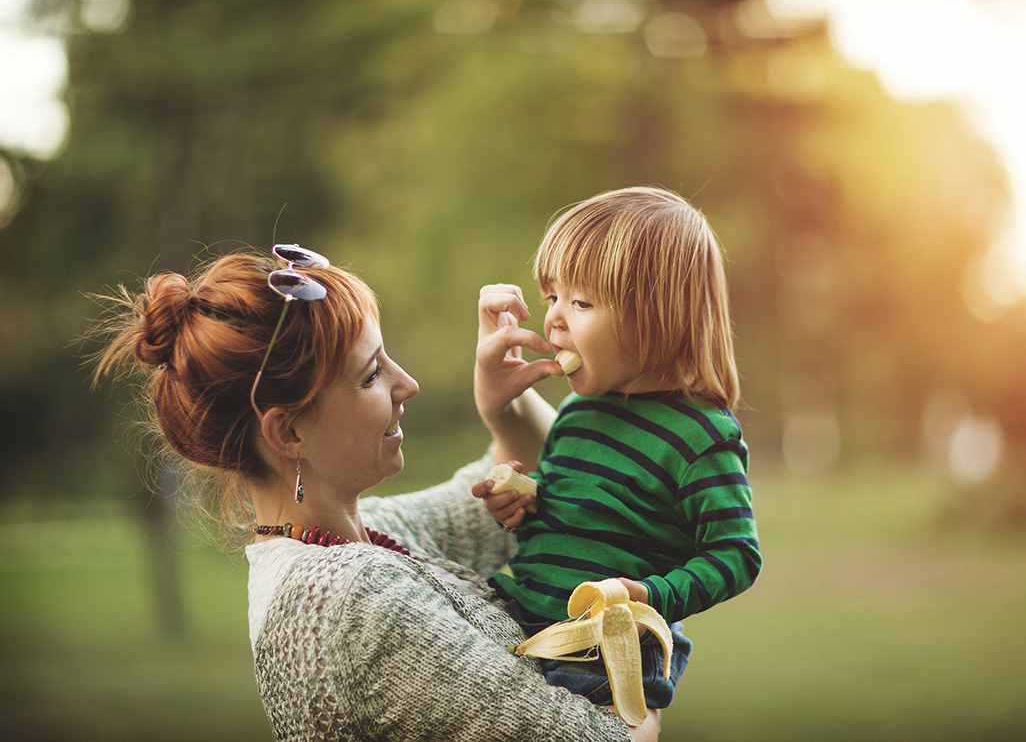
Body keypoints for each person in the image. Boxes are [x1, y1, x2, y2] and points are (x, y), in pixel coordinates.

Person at [90, 243, 662, 741]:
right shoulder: (349, 602)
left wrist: (501, 400)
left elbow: (533, 482)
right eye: (369, 375)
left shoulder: (359, 539)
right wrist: (646, 639)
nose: (406, 383)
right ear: (288, 431)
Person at [472, 186, 763, 716]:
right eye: (552, 298)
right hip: (525, 612)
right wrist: (524, 503)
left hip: (606, 650)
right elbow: (580, 515)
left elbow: (737, 555)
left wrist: (650, 595)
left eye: (581, 302)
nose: (555, 319)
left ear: (657, 316)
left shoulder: (702, 435)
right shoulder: (579, 415)